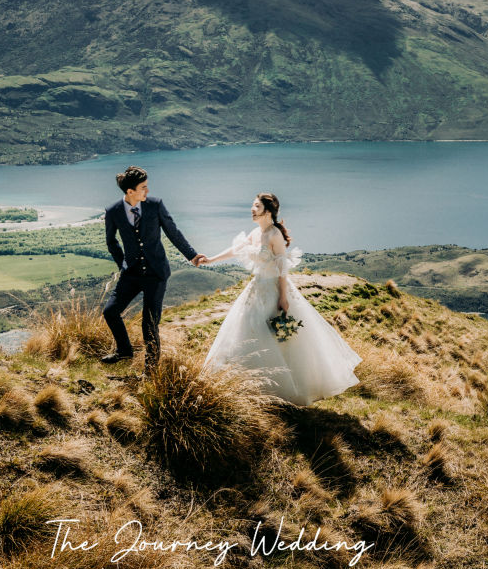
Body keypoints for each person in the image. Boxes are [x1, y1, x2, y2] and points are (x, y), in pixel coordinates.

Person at [198, 192, 362, 406]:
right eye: (253, 205)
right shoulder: (256, 233)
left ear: (268, 210)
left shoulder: (274, 234)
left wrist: (283, 297)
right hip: (255, 289)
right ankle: (247, 386)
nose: (252, 209)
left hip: (274, 291)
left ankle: (283, 390)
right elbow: (235, 250)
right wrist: (210, 259)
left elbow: (282, 269)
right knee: (248, 333)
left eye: (256, 206)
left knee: (278, 339)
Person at [102, 166, 206, 371]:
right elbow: (111, 241)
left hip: (156, 274)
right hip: (131, 273)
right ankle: (124, 351)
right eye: (143, 188)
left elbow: (173, 232)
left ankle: (150, 371)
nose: (147, 191)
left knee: (149, 324)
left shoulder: (155, 206)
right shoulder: (113, 211)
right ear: (130, 192)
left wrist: (192, 255)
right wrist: (122, 262)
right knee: (110, 312)